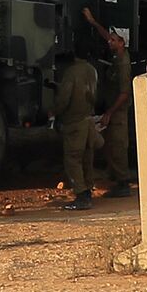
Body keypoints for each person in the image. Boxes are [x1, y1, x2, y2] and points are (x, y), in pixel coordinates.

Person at [82, 8, 134, 197]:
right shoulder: (117, 53)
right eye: (110, 39)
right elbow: (106, 35)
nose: (109, 41)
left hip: (118, 113)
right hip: (113, 110)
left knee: (117, 147)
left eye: (113, 40)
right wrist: (93, 22)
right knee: (110, 145)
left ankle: (123, 183)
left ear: (122, 43)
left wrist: (109, 113)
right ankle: (116, 177)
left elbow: (124, 93)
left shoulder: (123, 63)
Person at [53, 41, 99, 210]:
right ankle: (88, 190)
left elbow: (64, 99)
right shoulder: (92, 70)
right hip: (88, 120)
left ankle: (81, 196)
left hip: (74, 122)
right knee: (87, 157)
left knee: (73, 159)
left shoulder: (71, 72)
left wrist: (54, 111)